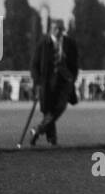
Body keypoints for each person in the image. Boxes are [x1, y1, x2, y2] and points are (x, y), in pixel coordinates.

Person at [29, 19, 80, 147]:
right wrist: (38, 82)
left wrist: (72, 78)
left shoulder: (70, 43)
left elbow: (75, 64)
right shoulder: (43, 44)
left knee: (60, 108)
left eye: (60, 28)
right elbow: (34, 65)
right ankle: (51, 139)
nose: (58, 31)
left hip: (65, 82)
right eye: (56, 29)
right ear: (51, 29)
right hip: (47, 84)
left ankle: (38, 130)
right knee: (49, 112)